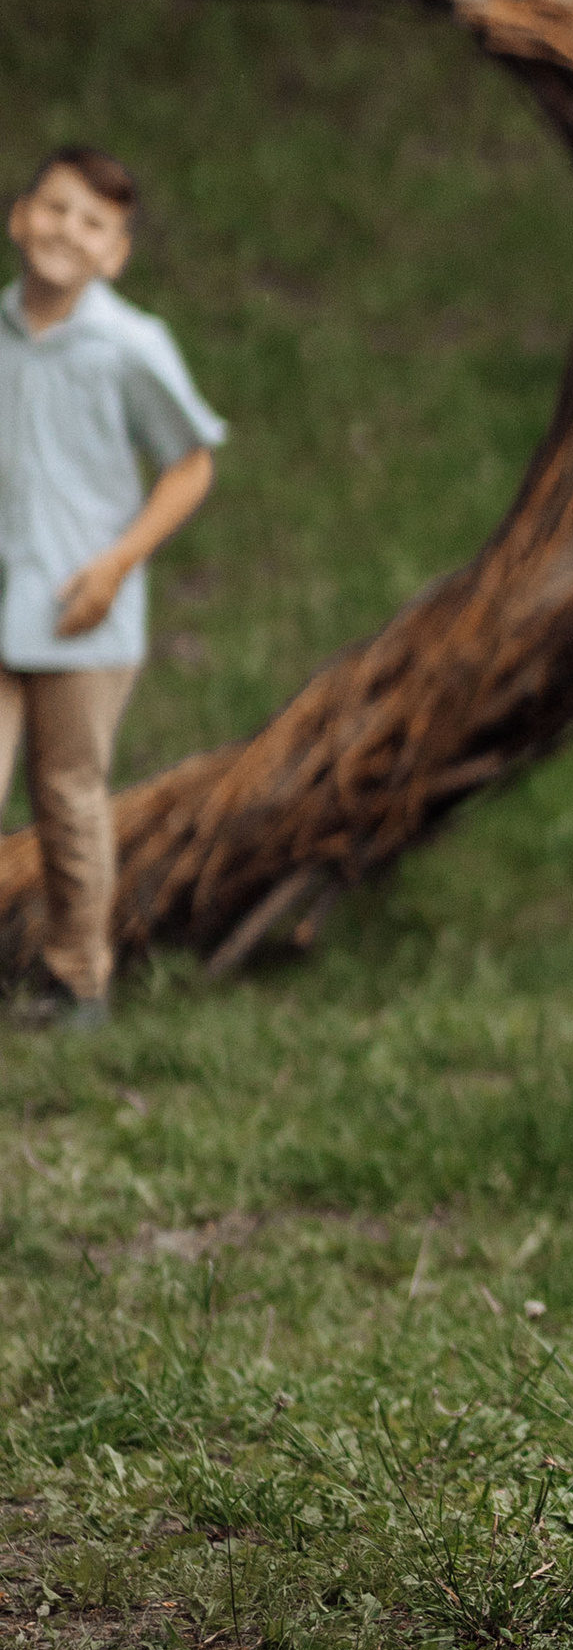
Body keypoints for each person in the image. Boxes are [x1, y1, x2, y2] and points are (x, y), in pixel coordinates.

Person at [0, 145, 226, 1029]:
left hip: (79, 615)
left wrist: (116, 564)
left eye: (92, 222)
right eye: (54, 210)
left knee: (68, 792)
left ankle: (77, 977)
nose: (67, 232)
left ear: (116, 252)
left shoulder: (131, 346)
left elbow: (189, 466)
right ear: (21, 217)